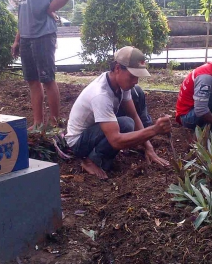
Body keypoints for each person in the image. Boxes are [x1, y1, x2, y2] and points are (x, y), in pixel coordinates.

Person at [65, 46, 172, 180]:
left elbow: (133, 114)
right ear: (117, 69)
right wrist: (154, 130)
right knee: (126, 124)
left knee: (129, 119)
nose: (135, 81)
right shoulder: (100, 95)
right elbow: (115, 141)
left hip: (93, 131)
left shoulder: (120, 84)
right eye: (132, 76)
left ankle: (99, 153)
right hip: (78, 142)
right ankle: (91, 160)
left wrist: (149, 147)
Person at [10, 0, 70, 128]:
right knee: (32, 81)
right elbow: (22, 10)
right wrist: (17, 39)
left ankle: (54, 123)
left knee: (48, 80)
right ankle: (37, 123)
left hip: (43, 35)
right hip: (26, 37)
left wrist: (49, 8)